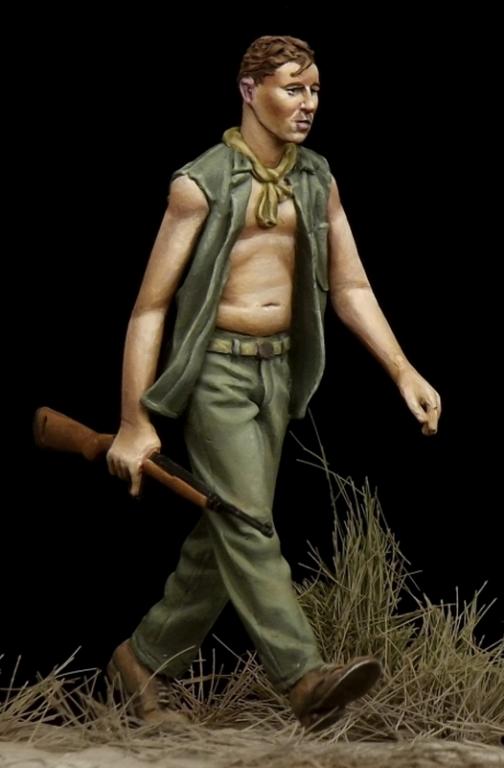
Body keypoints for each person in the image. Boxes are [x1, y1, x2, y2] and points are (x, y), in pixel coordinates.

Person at [106, 35, 441, 729]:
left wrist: (403, 368)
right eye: (293, 88)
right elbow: (149, 308)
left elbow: (350, 285)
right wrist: (135, 421)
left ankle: (141, 660)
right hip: (217, 374)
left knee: (227, 526)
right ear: (248, 90)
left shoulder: (317, 179)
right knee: (248, 524)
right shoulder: (199, 184)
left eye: (315, 90)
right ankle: (304, 678)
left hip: (280, 376)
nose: (308, 103)